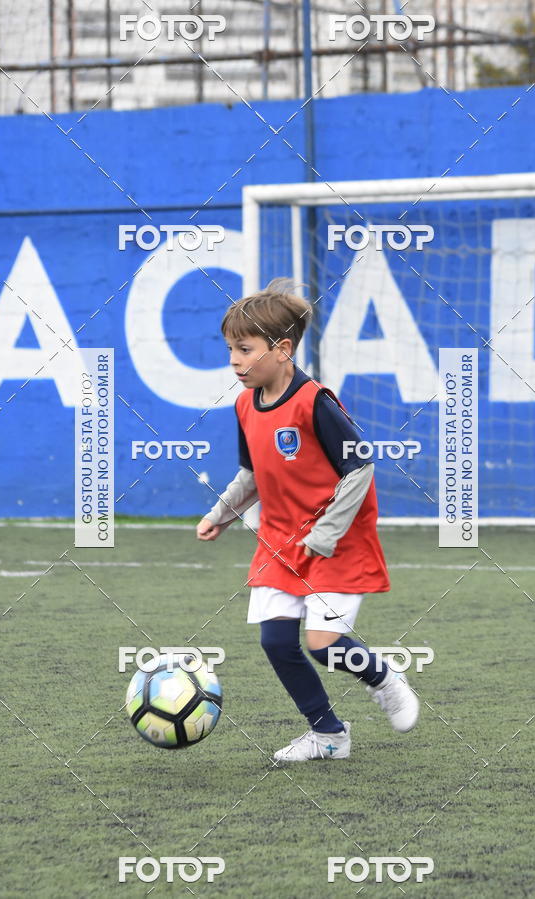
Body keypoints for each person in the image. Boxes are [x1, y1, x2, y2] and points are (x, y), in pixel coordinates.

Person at [196, 279, 419, 763]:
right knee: (275, 639)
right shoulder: (243, 404)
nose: (233, 360)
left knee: (322, 644)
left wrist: (326, 532)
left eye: (244, 349)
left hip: (335, 541)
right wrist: (222, 514)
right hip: (280, 541)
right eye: (230, 349)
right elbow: (253, 472)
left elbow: (360, 468)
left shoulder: (315, 401)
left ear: (282, 349)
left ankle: (383, 678)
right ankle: (328, 734)